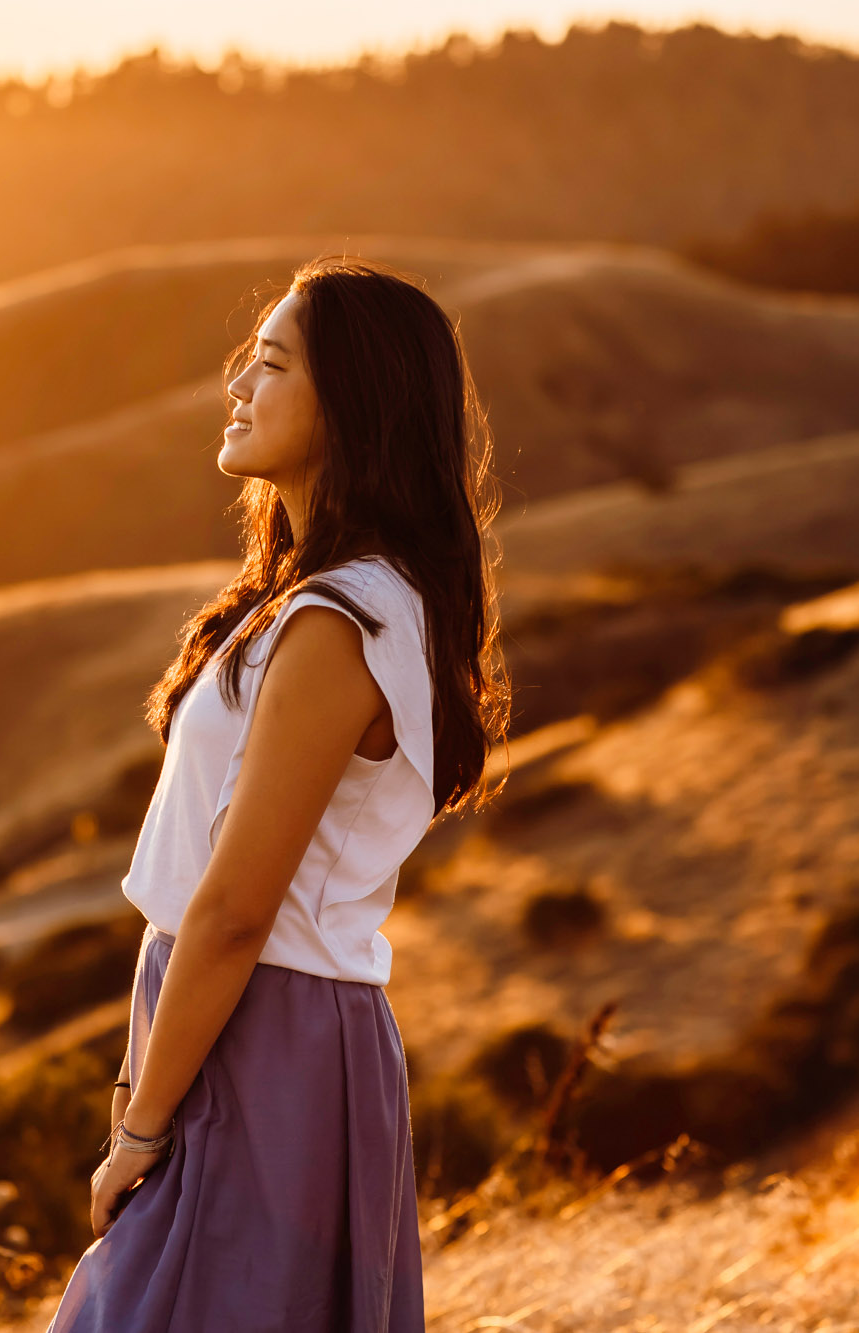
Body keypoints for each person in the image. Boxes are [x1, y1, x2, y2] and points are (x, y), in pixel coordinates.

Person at [42, 254, 511, 1332]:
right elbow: (186, 906)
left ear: (350, 402)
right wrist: (136, 1082)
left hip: (269, 1039)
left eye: (268, 365)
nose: (237, 388)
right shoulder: (302, 602)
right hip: (232, 1027)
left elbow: (233, 909)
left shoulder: (337, 623)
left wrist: (142, 1127)